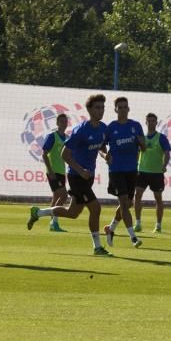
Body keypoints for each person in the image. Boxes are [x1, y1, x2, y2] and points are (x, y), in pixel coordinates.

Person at [27, 94, 111, 255]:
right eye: (97, 107)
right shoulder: (80, 130)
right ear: (89, 109)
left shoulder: (103, 128)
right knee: (96, 209)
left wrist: (105, 155)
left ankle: (38, 213)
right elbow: (65, 155)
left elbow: (101, 147)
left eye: (102, 107)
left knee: (73, 213)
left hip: (88, 176)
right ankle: (97, 247)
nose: (101, 110)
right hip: (76, 176)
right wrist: (80, 170)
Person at [101, 97, 146, 248]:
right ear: (115, 110)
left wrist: (140, 143)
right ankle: (133, 237)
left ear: (128, 109)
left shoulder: (136, 126)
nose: (122, 109)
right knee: (124, 204)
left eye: (125, 107)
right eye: (119, 107)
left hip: (132, 170)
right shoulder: (110, 127)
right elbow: (101, 148)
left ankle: (110, 229)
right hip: (116, 170)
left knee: (127, 203)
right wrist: (105, 155)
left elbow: (144, 147)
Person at [134, 112, 171, 233]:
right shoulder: (141, 138)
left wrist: (164, 165)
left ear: (156, 123)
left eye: (153, 121)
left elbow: (167, 153)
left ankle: (158, 225)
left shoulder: (161, 137)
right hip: (142, 171)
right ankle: (138, 223)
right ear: (146, 122)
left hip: (156, 173)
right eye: (149, 121)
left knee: (158, 198)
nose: (151, 123)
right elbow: (137, 153)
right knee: (137, 195)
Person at [40, 112, 70, 232]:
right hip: (53, 171)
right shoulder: (52, 136)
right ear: (57, 123)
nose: (64, 123)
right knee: (64, 196)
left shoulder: (67, 138)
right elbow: (44, 154)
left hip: (61, 172)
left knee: (57, 196)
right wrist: (50, 170)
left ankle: (52, 223)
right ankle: (54, 222)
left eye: (65, 121)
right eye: (62, 121)